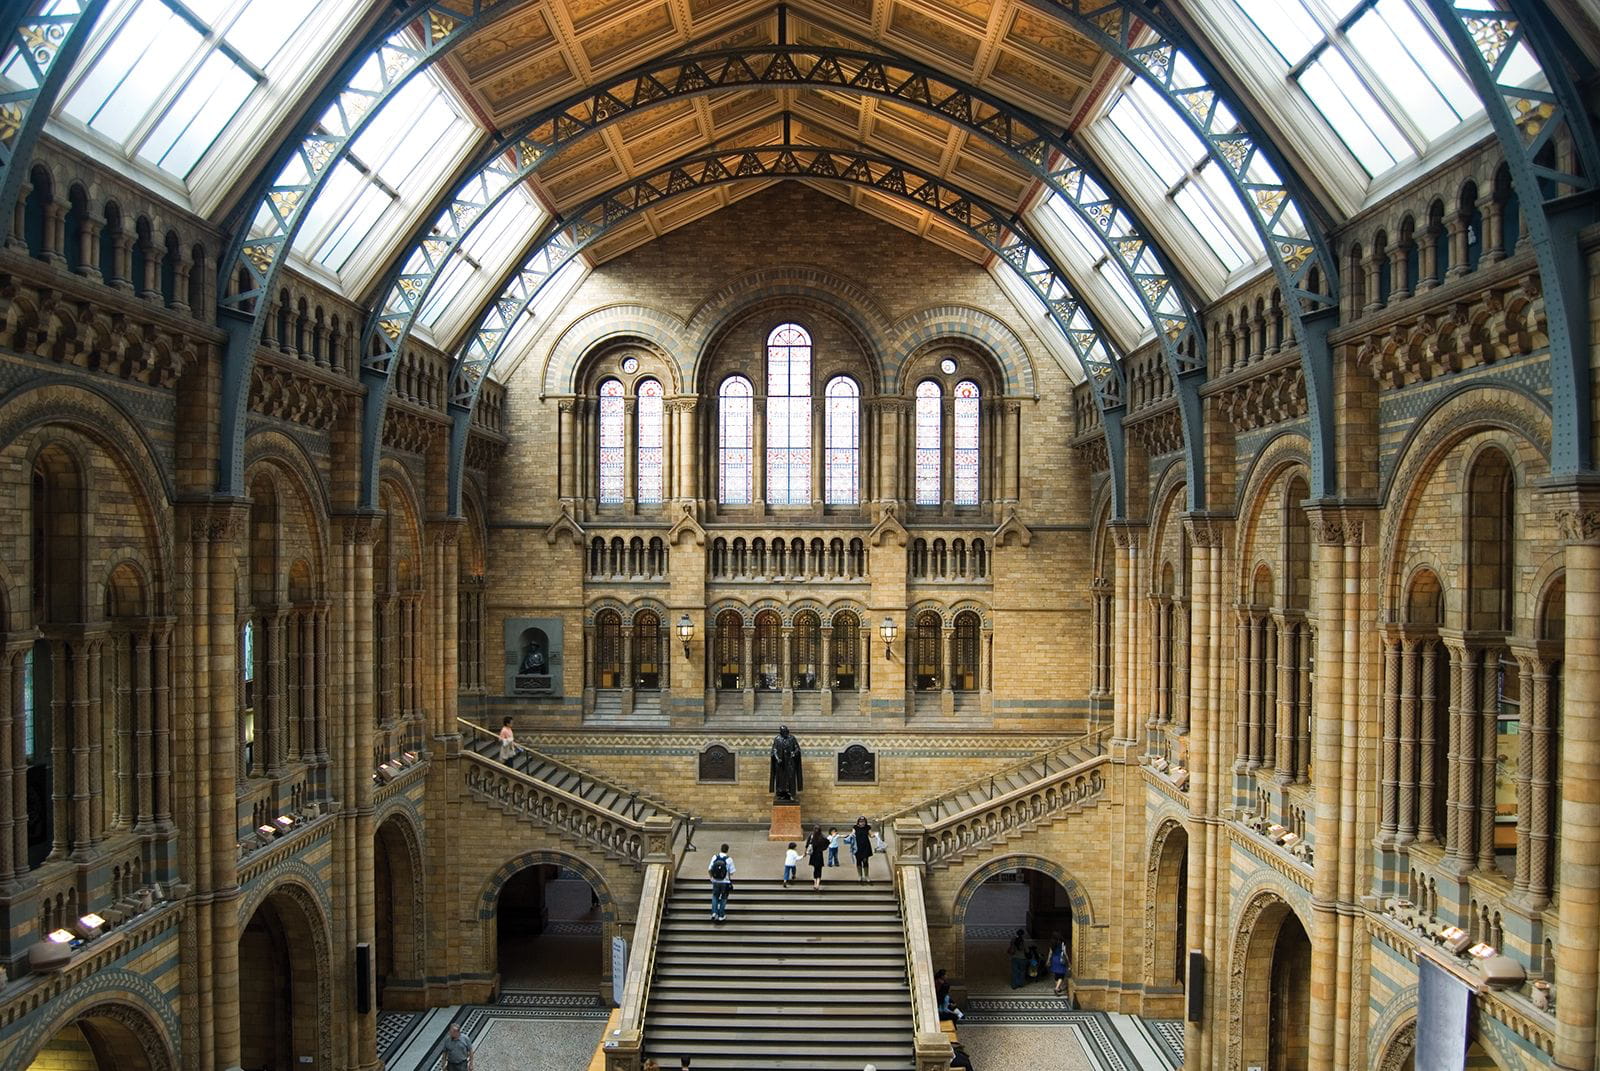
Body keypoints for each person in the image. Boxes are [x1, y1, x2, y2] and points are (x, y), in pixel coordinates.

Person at [769, 725, 803, 800]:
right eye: (782, 732)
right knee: (781, 779)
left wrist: (794, 753)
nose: (784, 733)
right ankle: (781, 794)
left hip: (790, 763)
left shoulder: (792, 738)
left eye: (785, 732)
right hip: (781, 764)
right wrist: (777, 758)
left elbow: (797, 749)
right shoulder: (777, 739)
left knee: (790, 778)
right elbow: (774, 750)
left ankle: (790, 794)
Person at [708, 843, 735, 921]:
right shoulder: (729, 859)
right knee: (724, 898)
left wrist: (712, 878)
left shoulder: (715, 857)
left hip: (716, 881)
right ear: (727, 850)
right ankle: (721, 915)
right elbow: (732, 872)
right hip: (725, 882)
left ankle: (714, 912)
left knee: (715, 896)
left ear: (721, 849)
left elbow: (709, 869)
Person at [851, 816, 874, 883]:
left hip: (866, 847)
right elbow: (853, 833)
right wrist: (851, 835)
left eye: (863, 822)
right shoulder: (855, 827)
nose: (862, 823)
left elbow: (871, 835)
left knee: (865, 861)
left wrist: (875, 835)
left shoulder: (867, 827)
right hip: (857, 847)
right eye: (861, 822)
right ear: (858, 822)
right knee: (858, 861)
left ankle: (866, 876)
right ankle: (860, 875)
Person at [806, 824, 828, 890]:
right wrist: (822, 849)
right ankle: (817, 884)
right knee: (819, 869)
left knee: (815, 869)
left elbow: (807, 845)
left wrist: (805, 852)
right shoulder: (822, 836)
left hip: (814, 854)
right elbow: (827, 843)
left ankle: (815, 883)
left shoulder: (811, 836)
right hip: (819, 854)